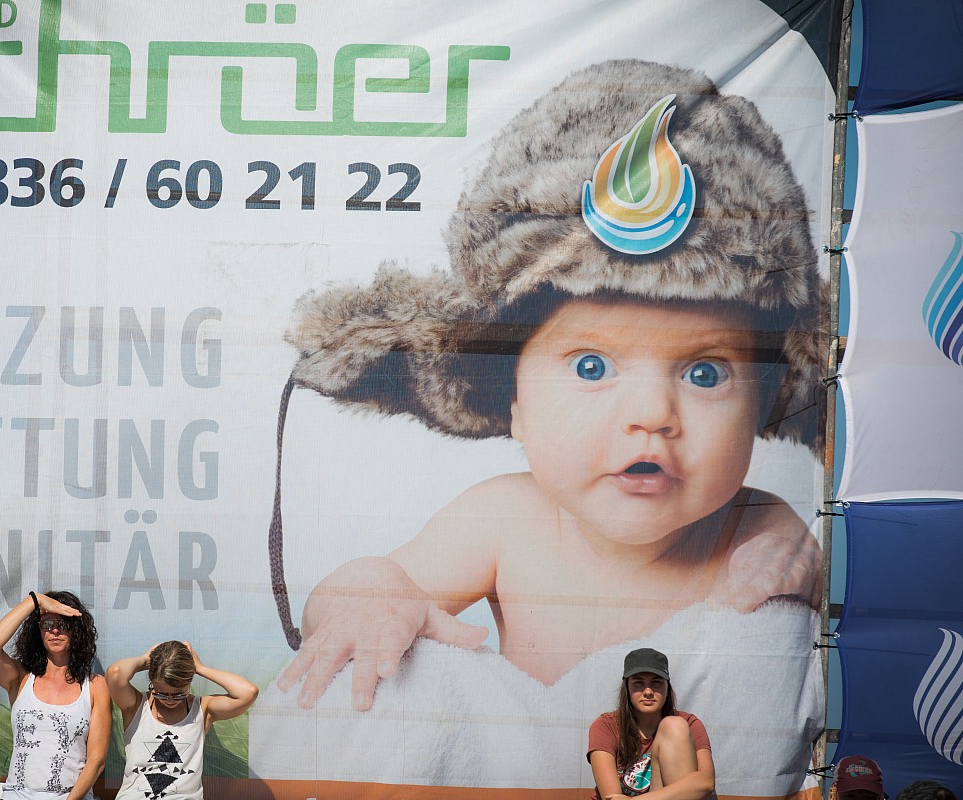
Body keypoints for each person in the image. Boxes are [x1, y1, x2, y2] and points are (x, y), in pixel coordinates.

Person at [274, 58, 825, 713]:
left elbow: (802, 637)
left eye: (704, 372)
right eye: (591, 367)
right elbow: (351, 598)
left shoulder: (757, 528)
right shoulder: (505, 519)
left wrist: (801, 572)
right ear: (512, 402)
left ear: (766, 399)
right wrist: (372, 597)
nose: (653, 414)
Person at [0, 590, 111, 800]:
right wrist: (35, 600)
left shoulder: (96, 685)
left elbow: (96, 761)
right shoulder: (21, 678)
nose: (55, 630)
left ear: (76, 630)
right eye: (47, 624)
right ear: (38, 631)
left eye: (64, 624)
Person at [107, 640, 258, 800]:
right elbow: (115, 673)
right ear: (152, 683)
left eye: (179, 694)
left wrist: (200, 668)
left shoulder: (203, 709)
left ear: (189, 682)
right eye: (161, 693)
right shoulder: (137, 705)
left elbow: (248, 692)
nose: (170, 700)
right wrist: (146, 661)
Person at [588, 648, 714, 800]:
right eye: (638, 683)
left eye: (656, 683)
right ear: (627, 688)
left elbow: (706, 783)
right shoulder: (605, 726)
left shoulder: (688, 723)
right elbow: (612, 797)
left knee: (674, 725)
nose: (648, 692)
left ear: (667, 688)